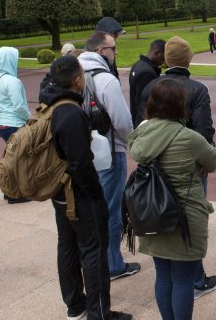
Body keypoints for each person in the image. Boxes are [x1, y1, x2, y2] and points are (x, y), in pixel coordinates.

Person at [40, 56, 132, 320]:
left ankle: (75, 303)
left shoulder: (50, 105)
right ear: (77, 80)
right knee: (93, 250)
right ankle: (99, 312)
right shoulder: (70, 112)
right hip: (78, 194)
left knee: (67, 246)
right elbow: (81, 164)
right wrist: (96, 196)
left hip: (61, 190)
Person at [128, 79, 216, 320]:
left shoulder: (141, 133)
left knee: (164, 275)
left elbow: (136, 150)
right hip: (185, 215)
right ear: (180, 105)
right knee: (183, 279)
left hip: (153, 213)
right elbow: (214, 160)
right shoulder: (189, 137)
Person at [139, 36, 216, 299]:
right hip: (188, 166)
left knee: (163, 259)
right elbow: (204, 131)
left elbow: (143, 127)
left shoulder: (149, 85)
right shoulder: (197, 89)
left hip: (153, 167)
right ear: (188, 59)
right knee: (190, 223)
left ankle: (189, 276)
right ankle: (194, 278)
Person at [79, 32, 139, 281]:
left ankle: (95, 259)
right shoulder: (107, 80)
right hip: (109, 151)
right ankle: (112, 264)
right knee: (111, 209)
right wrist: (133, 143)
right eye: (114, 49)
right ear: (102, 51)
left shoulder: (74, 73)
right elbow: (123, 121)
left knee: (92, 209)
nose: (116, 53)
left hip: (82, 151)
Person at [0, 47, 32, 204]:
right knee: (19, 160)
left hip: (2, 122)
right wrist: (30, 119)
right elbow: (19, 106)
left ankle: (9, 190)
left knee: (12, 159)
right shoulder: (13, 81)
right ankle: (16, 194)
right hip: (14, 123)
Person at [129, 40, 166, 128]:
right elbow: (145, 103)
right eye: (163, 57)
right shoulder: (146, 72)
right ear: (157, 53)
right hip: (144, 124)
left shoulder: (138, 65)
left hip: (138, 119)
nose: (164, 61)